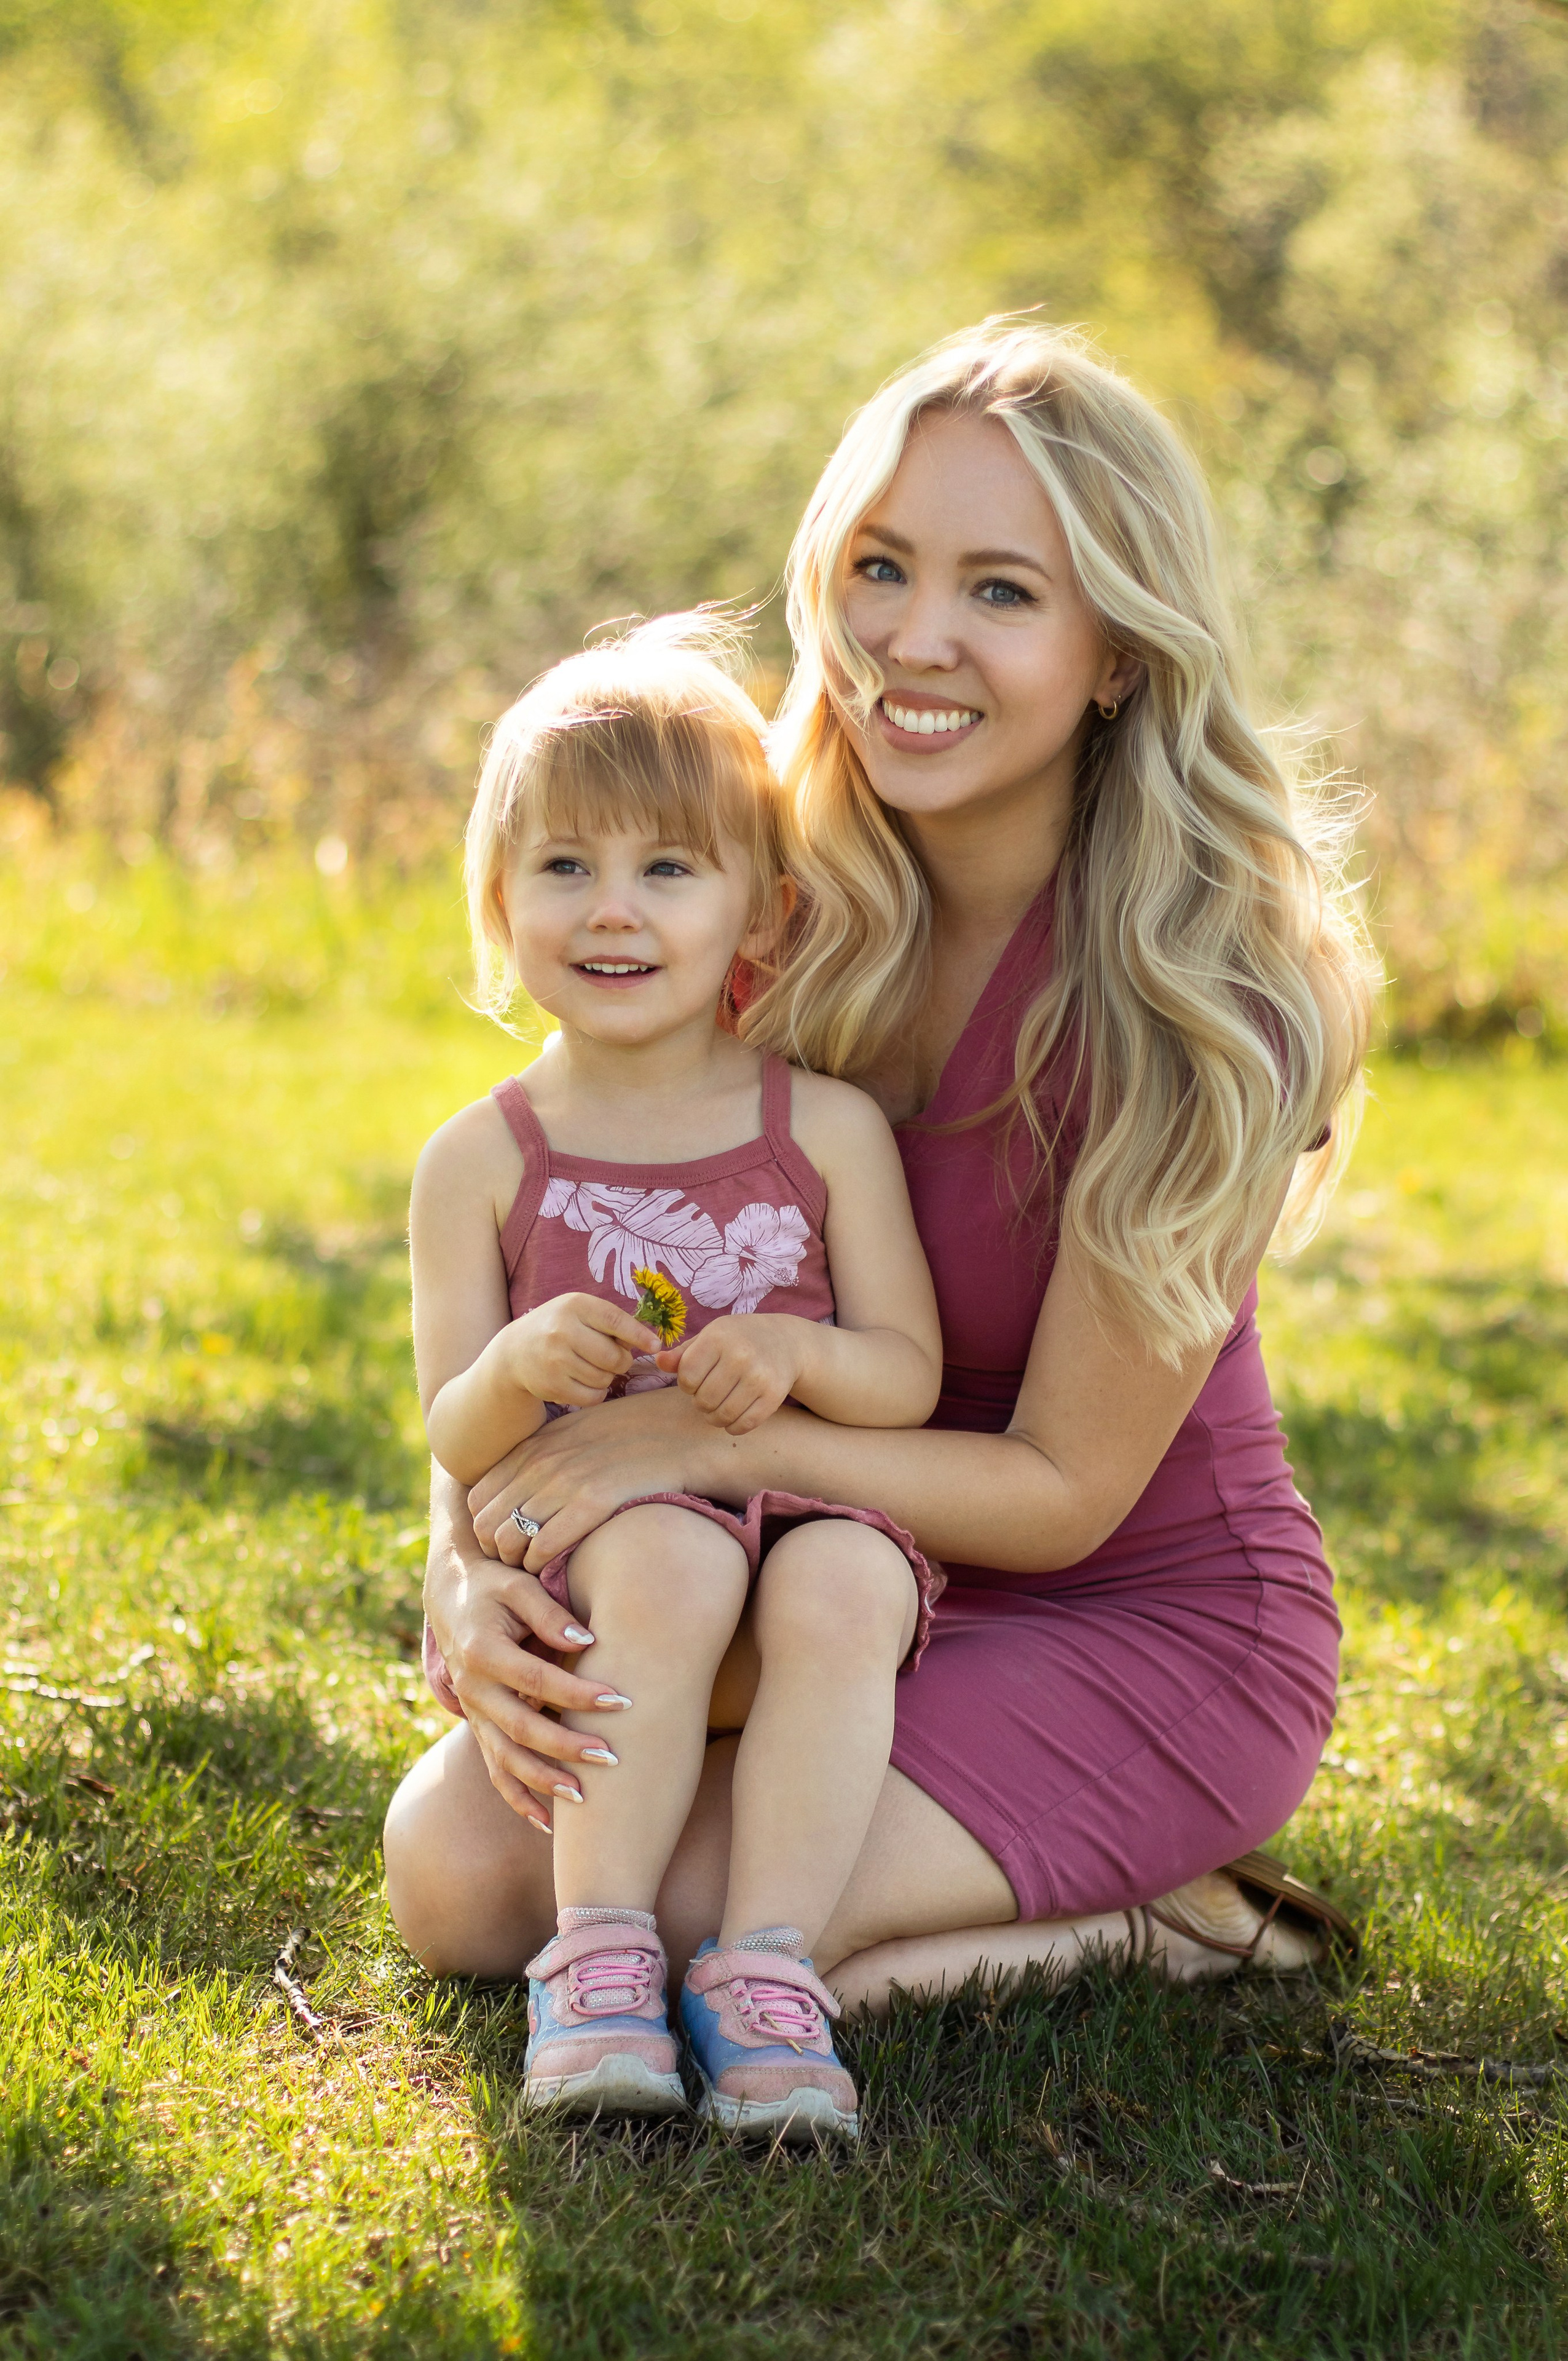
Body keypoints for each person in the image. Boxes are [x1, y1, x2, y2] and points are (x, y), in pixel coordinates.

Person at [385, 317, 1373, 2033]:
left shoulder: (1212, 1000)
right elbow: (547, 1312)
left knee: (687, 1909)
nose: (916, 640)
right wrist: (469, 1567)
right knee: (461, 1873)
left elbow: (1064, 1490)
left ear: (1121, 651)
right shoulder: (766, 914)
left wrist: (715, 1441)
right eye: (881, 569)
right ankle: (872, 1928)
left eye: (1003, 590)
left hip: (1134, 1612)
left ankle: (1184, 1919)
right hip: (804, 1563)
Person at [408, 614, 947, 2139]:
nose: (611, 908)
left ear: (756, 911)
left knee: (851, 1584)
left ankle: (766, 1971)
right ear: (497, 900)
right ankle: (599, 1956)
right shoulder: (481, 1162)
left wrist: (788, 1352)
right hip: (619, 1558)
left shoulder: (825, 1129)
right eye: (563, 866)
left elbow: (901, 1375)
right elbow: (455, 1428)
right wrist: (521, 1362)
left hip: (805, 1512)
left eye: (666, 868)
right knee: (656, 1548)